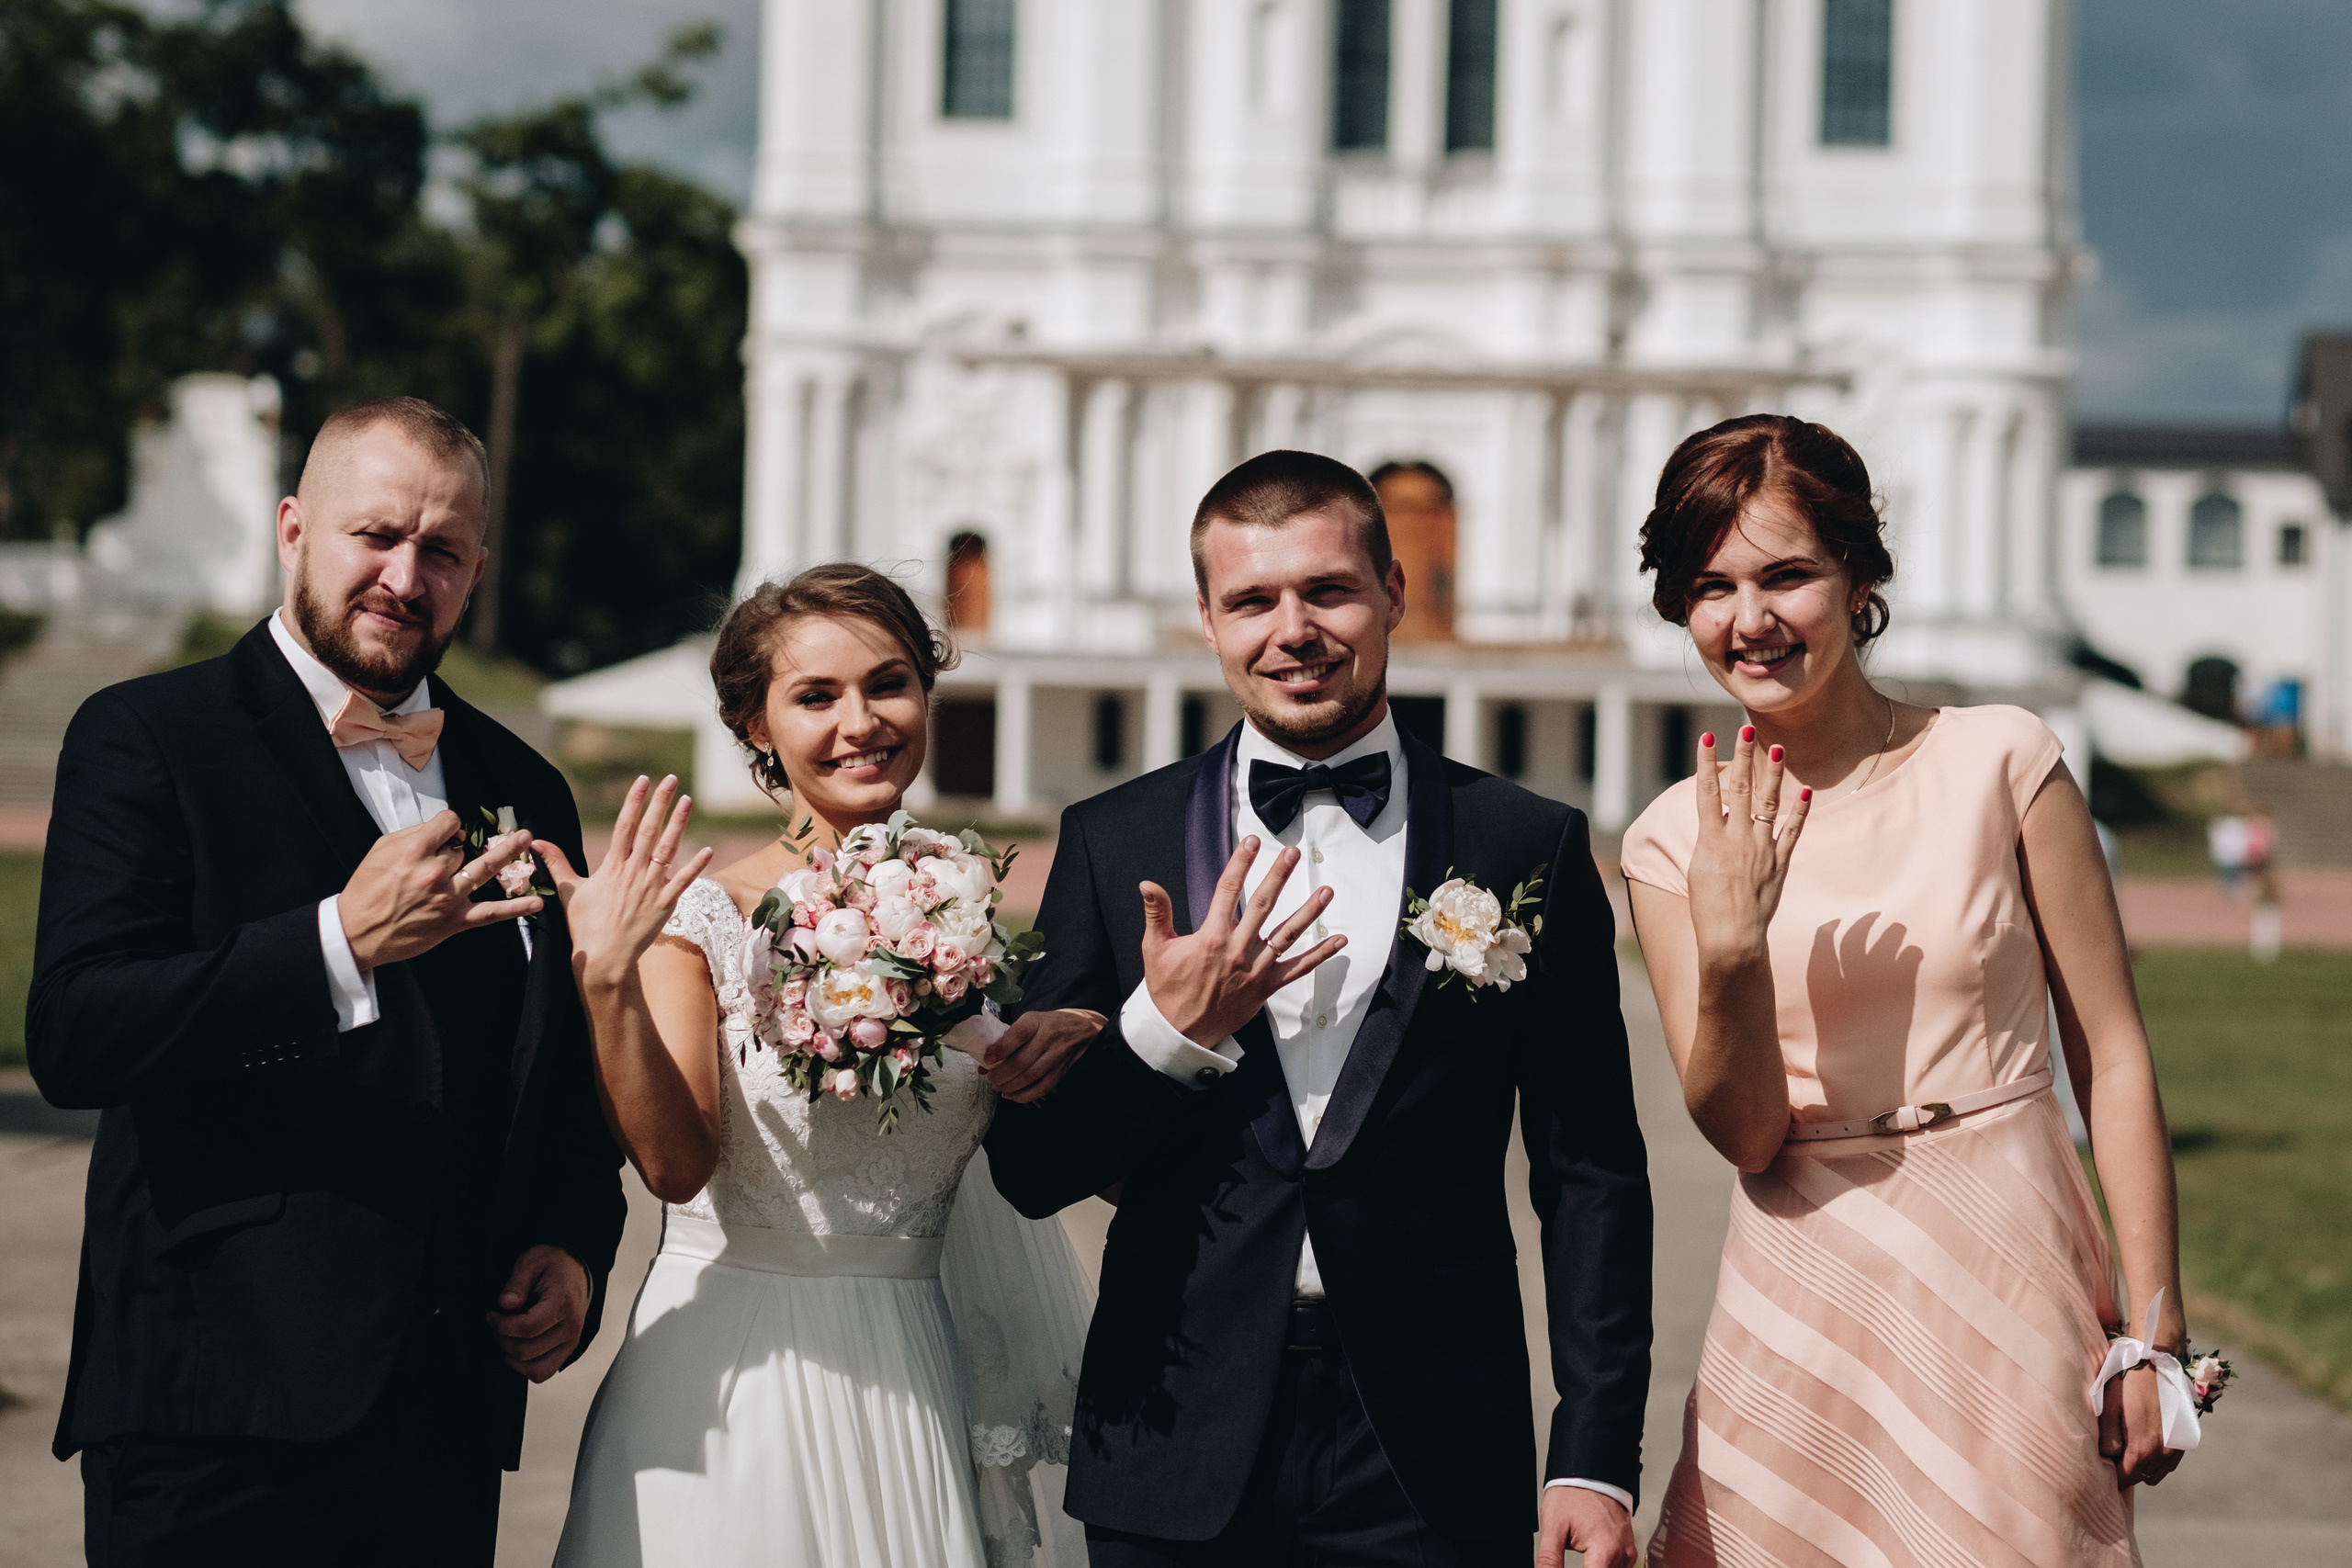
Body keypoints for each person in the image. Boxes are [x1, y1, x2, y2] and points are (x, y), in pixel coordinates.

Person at [982, 450, 1654, 1568]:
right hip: (1170, 1438)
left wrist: (1591, 1452)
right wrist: (1166, 1030)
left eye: (1328, 591)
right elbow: (1031, 1169)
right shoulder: (1114, 841)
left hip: (1434, 1453)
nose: (1292, 629)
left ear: (1394, 592)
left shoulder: (1521, 842)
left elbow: (1589, 1171)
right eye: (1251, 599)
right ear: (1206, 618)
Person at [28, 397, 626, 1566]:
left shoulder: (524, 784)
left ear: (477, 571)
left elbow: (554, 1069)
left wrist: (574, 1242)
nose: (406, 576)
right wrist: (335, 943)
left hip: (442, 1412)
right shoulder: (149, 734)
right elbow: (77, 1032)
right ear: (294, 528)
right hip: (213, 1412)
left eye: (443, 551)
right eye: (377, 535)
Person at [1617, 415, 2192, 1566]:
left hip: (2004, 1257)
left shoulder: (2000, 760)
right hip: (1800, 1285)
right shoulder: (1672, 839)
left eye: (1787, 576)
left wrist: (2155, 1328)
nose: (1750, 620)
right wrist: (1732, 951)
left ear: (1860, 576)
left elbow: (2111, 1054)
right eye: (1711, 586)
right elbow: (1744, 1133)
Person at [545, 564, 1104, 1568]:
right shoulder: (702, 917)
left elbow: (1050, 1162)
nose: (863, 721)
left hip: (916, 1361)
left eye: (888, 684)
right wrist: (605, 979)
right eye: (816, 696)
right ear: (756, 725)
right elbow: (674, 1167)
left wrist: (1077, 1054)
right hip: (738, 1370)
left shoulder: (967, 917)